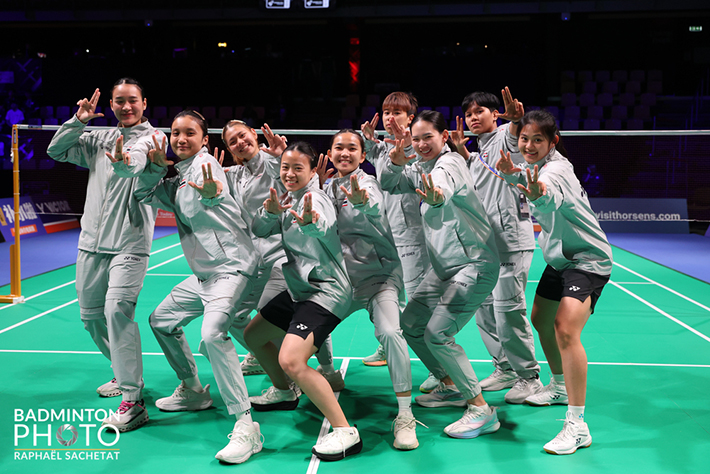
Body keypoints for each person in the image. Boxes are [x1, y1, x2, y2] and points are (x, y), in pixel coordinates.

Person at [134, 110, 262, 464]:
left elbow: (213, 190)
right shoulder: (178, 179)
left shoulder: (206, 166)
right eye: (175, 133)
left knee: (212, 334)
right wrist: (155, 169)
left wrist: (212, 195)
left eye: (189, 133)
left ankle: (246, 424)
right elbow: (145, 193)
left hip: (231, 268)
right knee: (161, 320)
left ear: (204, 140)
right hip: (204, 276)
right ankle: (193, 388)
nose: (180, 138)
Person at [46, 79, 162, 431]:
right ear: (110, 105)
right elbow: (55, 150)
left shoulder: (154, 139)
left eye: (133, 100)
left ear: (144, 103)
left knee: (116, 312)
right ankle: (124, 371)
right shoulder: (98, 138)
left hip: (129, 242)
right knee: (90, 317)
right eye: (119, 101)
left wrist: (123, 162)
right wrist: (79, 121)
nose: (126, 107)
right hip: (91, 242)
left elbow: (134, 164)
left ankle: (133, 400)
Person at [496, 109, 613, 455]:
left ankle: (577, 426)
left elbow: (548, 195)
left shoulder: (556, 170)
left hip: (587, 259)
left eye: (538, 140)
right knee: (540, 319)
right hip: (560, 258)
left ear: (553, 142)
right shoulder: (534, 166)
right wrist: (513, 174)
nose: (529, 145)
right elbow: (530, 178)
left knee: (565, 329)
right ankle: (560, 385)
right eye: (524, 139)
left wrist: (537, 193)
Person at [381, 110, 500, 440]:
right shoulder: (420, 167)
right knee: (410, 324)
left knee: (437, 333)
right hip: (446, 267)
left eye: (428, 138)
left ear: (444, 136)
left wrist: (436, 198)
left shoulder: (450, 164)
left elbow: (442, 188)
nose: (421, 144)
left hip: (474, 265)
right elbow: (389, 183)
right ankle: (450, 384)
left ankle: (481, 410)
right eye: (416, 139)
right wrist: (395, 162)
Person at [245, 142, 362, 461]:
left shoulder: (316, 198)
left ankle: (345, 431)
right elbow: (259, 229)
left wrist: (312, 222)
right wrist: (269, 212)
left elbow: (323, 224)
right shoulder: (284, 199)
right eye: (285, 167)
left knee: (292, 361)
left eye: (298, 168)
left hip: (326, 291)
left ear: (312, 172)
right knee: (253, 336)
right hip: (300, 288)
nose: (290, 173)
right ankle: (284, 391)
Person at [218, 121, 342, 391]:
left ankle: (321, 369)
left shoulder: (277, 162)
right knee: (237, 315)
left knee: (290, 313)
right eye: (232, 141)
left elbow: (304, 183)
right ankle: (266, 355)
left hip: (283, 258)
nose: (239, 142)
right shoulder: (236, 175)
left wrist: (278, 159)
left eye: (242, 135)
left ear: (254, 134)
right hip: (255, 257)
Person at [321, 129, 420, 450]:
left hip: (378, 277)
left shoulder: (368, 184)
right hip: (341, 281)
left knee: (391, 333)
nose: (345, 153)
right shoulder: (323, 188)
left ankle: (404, 414)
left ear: (363, 156)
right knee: (311, 323)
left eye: (352, 148)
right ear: (330, 153)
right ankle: (328, 372)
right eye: (339, 147)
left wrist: (362, 202)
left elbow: (374, 205)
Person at [450, 88, 542, 403]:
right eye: (469, 114)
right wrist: (463, 154)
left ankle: (529, 377)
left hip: (511, 241)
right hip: (486, 244)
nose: (473, 118)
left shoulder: (505, 137)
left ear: (494, 114)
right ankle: (504, 367)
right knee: (485, 308)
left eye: (480, 111)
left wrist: (516, 120)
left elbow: (516, 139)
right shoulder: (478, 150)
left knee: (509, 310)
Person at [360, 92, 437, 393]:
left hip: (414, 238)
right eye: (386, 112)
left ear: (410, 117)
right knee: (388, 297)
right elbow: (368, 153)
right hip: (383, 235)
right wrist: (368, 139)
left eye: (397, 112)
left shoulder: (418, 148)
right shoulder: (382, 148)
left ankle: (437, 367)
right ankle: (386, 345)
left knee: (418, 305)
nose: (390, 117)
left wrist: (405, 145)